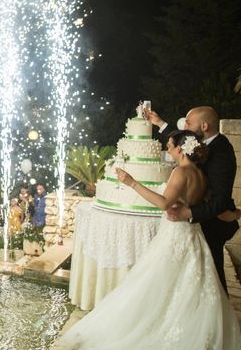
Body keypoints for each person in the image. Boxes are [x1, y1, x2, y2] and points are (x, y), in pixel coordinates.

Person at [58, 130, 241, 349]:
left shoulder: (180, 172)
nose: (167, 149)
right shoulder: (200, 174)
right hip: (193, 235)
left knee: (156, 284)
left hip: (175, 235)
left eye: (170, 146)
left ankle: (158, 326)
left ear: (181, 149)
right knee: (188, 286)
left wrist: (131, 182)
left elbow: (164, 204)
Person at [146, 105, 240, 293]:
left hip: (213, 222)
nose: (184, 125)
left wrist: (188, 212)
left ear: (204, 125)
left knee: (212, 278)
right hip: (197, 222)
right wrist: (160, 123)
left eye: (188, 122)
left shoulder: (221, 151)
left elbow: (220, 200)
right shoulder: (202, 144)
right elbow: (181, 142)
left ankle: (217, 318)